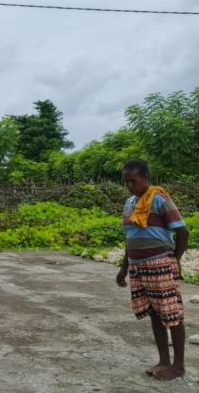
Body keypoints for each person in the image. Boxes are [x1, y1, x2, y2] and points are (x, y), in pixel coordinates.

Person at [116, 159, 189, 381]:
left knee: (172, 314)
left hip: (160, 264)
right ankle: (163, 361)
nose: (130, 185)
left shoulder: (159, 199)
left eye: (134, 181)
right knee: (155, 314)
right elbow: (131, 239)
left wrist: (173, 260)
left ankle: (178, 366)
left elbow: (183, 232)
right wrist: (124, 269)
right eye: (126, 181)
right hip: (139, 268)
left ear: (146, 178)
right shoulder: (130, 203)